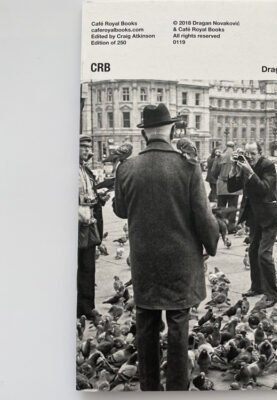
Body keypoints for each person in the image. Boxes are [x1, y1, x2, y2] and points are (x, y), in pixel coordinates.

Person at [113, 103, 219, 391]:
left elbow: (120, 210)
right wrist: (211, 243)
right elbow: (202, 213)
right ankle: (176, 387)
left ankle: (149, 387)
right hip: (180, 260)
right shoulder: (187, 166)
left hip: (145, 261)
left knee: (145, 323)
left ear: (145, 133)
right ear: (172, 129)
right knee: (178, 324)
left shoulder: (127, 167)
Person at [227, 142, 277, 307]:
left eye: (252, 154)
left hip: (270, 215)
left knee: (264, 254)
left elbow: (265, 189)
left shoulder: (268, 165)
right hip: (254, 216)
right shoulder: (245, 164)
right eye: (247, 153)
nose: (249, 157)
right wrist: (234, 169)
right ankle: (257, 287)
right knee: (252, 252)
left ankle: (272, 294)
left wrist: (249, 172)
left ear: (260, 152)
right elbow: (232, 188)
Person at [77, 135, 109, 318]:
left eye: (89, 148)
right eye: (84, 148)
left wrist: (99, 199)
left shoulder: (86, 171)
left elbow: (89, 197)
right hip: (77, 226)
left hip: (88, 227)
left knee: (88, 267)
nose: (88, 151)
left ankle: (87, 307)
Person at [211, 141, 241, 233]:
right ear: (234, 146)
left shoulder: (220, 157)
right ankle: (231, 228)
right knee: (233, 207)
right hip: (234, 186)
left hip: (222, 185)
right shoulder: (237, 158)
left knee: (221, 207)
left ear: (226, 146)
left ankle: (221, 227)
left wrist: (220, 178)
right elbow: (241, 172)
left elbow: (213, 172)